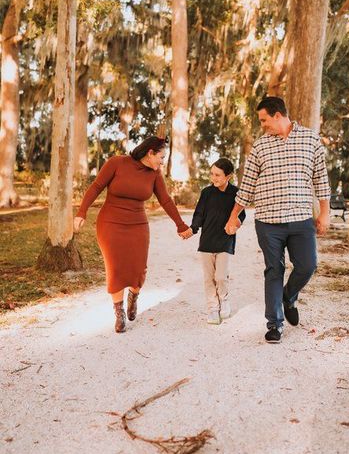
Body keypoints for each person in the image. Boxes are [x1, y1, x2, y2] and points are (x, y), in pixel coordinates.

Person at [225, 96, 330, 344]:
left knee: (307, 265)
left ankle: (289, 296)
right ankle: (274, 324)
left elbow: (321, 179)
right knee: (274, 270)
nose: (262, 125)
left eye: (264, 120)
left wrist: (324, 212)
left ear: (277, 115)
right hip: (268, 222)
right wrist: (234, 216)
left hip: (301, 219)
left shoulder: (310, 139)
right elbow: (248, 185)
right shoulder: (260, 146)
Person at [74, 136, 191, 333]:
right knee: (115, 267)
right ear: (150, 153)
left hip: (138, 224)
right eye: (161, 157)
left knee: (138, 269)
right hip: (110, 223)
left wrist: (180, 225)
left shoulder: (154, 174)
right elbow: (96, 187)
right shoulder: (117, 163)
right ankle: (118, 313)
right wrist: (81, 212)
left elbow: (166, 200)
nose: (162, 162)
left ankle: (133, 296)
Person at [182, 158, 246, 325]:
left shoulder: (235, 193)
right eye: (212, 174)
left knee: (221, 276)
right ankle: (212, 307)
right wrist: (193, 229)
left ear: (229, 176)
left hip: (225, 241)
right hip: (207, 242)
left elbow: (241, 215)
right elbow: (199, 215)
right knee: (209, 277)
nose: (213, 178)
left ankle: (224, 299)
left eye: (218, 175)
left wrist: (236, 224)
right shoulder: (206, 193)